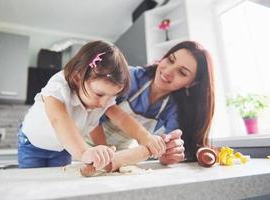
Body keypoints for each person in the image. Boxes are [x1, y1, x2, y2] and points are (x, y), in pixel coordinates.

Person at [18, 40, 166, 169]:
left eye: (112, 96)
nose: (104, 104)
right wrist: (83, 152)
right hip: (33, 145)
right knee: (32, 187)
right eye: (100, 95)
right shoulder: (57, 88)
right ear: (77, 77)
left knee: (59, 186)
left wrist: (145, 137)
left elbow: (119, 118)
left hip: (63, 149)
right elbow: (59, 120)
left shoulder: (101, 100)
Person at [88, 40, 215, 164]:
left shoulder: (174, 109)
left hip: (118, 154)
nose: (168, 71)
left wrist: (167, 154)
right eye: (170, 60)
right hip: (84, 143)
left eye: (181, 72)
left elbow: (162, 147)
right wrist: (103, 154)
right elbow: (99, 110)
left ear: (192, 83)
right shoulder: (129, 76)